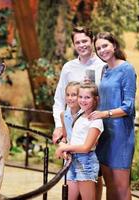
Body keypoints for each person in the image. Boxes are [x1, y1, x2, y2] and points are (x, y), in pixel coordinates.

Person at [52, 26, 105, 199]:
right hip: (72, 128)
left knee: (93, 176)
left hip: (93, 127)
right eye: (77, 42)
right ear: (73, 45)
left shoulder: (103, 66)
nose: (82, 45)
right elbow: (60, 100)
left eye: (85, 41)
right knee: (72, 177)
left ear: (92, 41)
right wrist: (59, 126)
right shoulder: (69, 67)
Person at [89, 32, 137, 200]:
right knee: (110, 185)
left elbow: (128, 107)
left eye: (105, 46)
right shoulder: (104, 70)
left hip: (121, 136)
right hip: (105, 134)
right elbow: (103, 99)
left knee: (122, 188)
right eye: (99, 48)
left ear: (114, 45)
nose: (102, 50)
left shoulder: (127, 69)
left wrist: (104, 114)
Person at [56, 83, 104, 200]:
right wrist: (64, 145)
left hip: (86, 162)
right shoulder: (79, 115)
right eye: (81, 97)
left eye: (87, 97)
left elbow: (86, 147)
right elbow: (71, 139)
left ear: (95, 99)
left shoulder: (96, 121)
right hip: (72, 160)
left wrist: (64, 148)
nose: (83, 100)